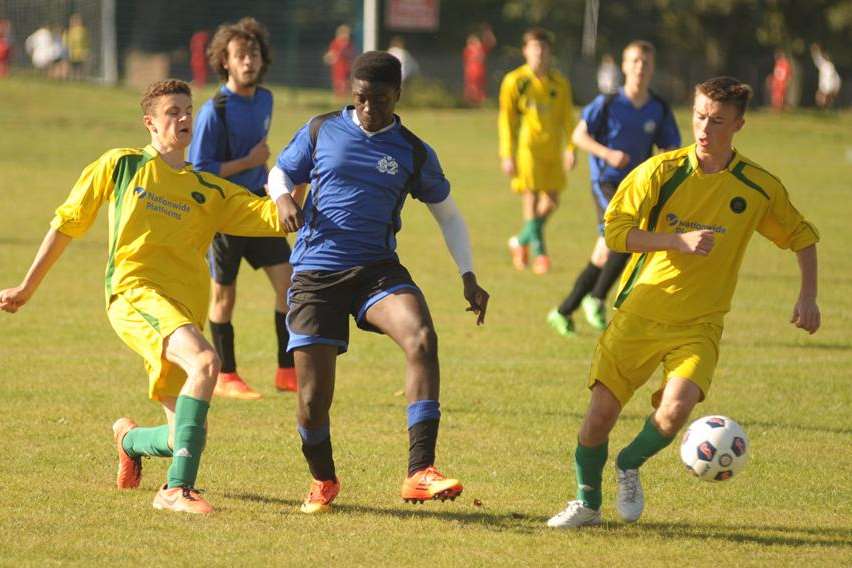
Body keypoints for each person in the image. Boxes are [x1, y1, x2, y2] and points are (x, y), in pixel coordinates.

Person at [0, 79, 295, 514]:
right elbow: (68, 222)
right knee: (207, 362)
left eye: (188, 110)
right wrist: (27, 286)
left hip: (182, 311)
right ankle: (175, 492)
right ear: (150, 123)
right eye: (173, 111)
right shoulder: (122, 165)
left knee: (182, 436)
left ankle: (129, 440)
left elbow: (277, 218)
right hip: (134, 294)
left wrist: (295, 176)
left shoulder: (209, 189)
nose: (183, 118)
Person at [546, 76, 820, 529]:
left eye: (716, 120)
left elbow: (802, 236)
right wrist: (676, 240)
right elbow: (615, 233)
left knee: (674, 413)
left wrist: (808, 296)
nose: (704, 128)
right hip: (640, 314)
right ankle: (587, 504)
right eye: (698, 116)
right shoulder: (660, 171)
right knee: (598, 419)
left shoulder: (757, 187)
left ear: (739, 125)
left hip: (699, 324)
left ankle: (629, 464)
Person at [268, 51, 490, 514]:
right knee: (312, 400)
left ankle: (420, 471)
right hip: (315, 274)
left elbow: (448, 215)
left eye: (381, 100)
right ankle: (323, 480)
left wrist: (468, 275)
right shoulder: (322, 129)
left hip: (376, 269)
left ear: (398, 97)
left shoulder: (411, 150)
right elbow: (280, 170)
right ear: (352, 94)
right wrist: (283, 197)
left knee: (422, 337)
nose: (369, 109)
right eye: (361, 99)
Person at [189, 17, 297, 399]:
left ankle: (287, 370)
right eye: (240, 56)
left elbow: (260, 157)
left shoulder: (265, 98)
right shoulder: (212, 111)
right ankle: (226, 375)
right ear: (225, 62)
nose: (248, 61)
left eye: (253, 53)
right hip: (223, 214)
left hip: (259, 209)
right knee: (224, 296)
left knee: (289, 284)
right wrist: (250, 160)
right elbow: (200, 170)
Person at [548, 40, 680, 336]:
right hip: (606, 183)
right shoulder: (607, 103)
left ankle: (563, 311)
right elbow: (579, 136)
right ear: (623, 66)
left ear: (652, 67)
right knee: (626, 237)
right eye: (634, 61)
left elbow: (671, 146)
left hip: (638, 188)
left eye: (645, 62)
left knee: (604, 251)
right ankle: (595, 298)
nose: (640, 68)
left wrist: (665, 159)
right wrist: (608, 154)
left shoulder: (658, 108)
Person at [499, 27, 576, 275]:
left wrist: (571, 148)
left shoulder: (560, 84)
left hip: (553, 149)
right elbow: (506, 119)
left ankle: (520, 241)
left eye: (543, 48)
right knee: (530, 197)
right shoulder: (515, 81)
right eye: (534, 47)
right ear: (525, 51)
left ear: (549, 51)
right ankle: (540, 253)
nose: (539, 52)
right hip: (527, 149)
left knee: (552, 201)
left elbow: (568, 119)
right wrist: (507, 153)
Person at [462, 24, 496, 105]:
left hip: (480, 72)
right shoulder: (468, 50)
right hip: (471, 73)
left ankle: (481, 104)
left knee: (480, 89)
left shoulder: (481, 48)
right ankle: (469, 104)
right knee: (471, 89)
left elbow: (492, 42)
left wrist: (488, 32)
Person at [324, 24, 355, 99]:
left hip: (347, 66)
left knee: (347, 82)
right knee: (339, 82)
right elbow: (331, 54)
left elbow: (352, 54)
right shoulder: (335, 43)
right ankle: (339, 97)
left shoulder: (349, 44)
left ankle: (344, 97)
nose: (346, 36)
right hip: (338, 67)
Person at [810, 43, 841, 109]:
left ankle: (824, 106)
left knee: (821, 97)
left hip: (826, 85)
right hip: (827, 85)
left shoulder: (827, 65)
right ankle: (825, 107)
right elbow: (817, 58)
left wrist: (814, 51)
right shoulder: (827, 65)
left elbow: (836, 78)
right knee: (822, 97)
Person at [64, 13, 89, 80]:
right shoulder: (70, 31)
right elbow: (66, 41)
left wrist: (86, 50)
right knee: (72, 67)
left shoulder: (82, 30)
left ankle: (79, 79)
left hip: (80, 52)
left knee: (79, 67)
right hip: (71, 52)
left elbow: (86, 42)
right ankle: (72, 79)